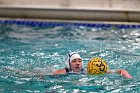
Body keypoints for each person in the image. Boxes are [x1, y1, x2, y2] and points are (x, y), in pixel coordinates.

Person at [53, 52, 132, 79]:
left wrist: (123, 71)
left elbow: (112, 71)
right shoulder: (63, 72)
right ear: (68, 64)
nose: (77, 63)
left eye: (79, 61)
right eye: (74, 61)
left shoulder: (86, 71)